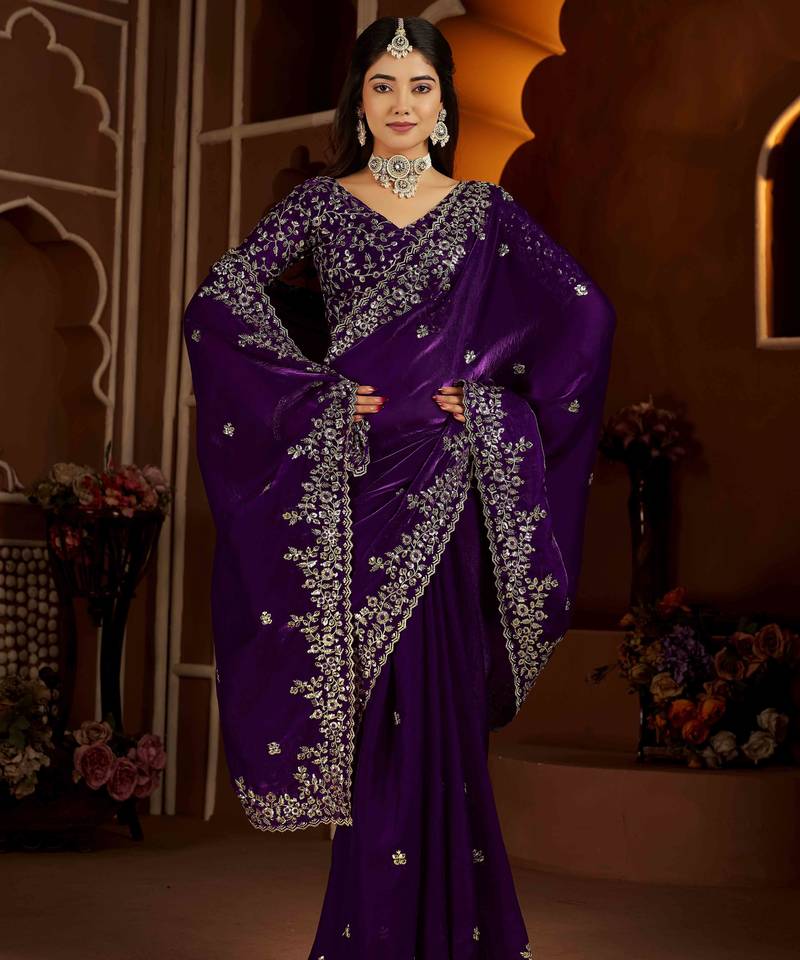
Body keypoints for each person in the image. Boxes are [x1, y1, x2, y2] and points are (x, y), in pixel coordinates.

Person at [183, 15, 615, 960]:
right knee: (374, 721)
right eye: (384, 85)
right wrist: (314, 399)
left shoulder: (484, 212)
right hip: (353, 491)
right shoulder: (320, 206)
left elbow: (586, 315)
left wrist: (495, 405)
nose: (402, 104)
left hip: (445, 490)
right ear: (360, 101)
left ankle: (456, 937)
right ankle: (370, 936)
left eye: (420, 86)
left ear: (446, 104)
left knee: (442, 716)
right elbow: (217, 307)